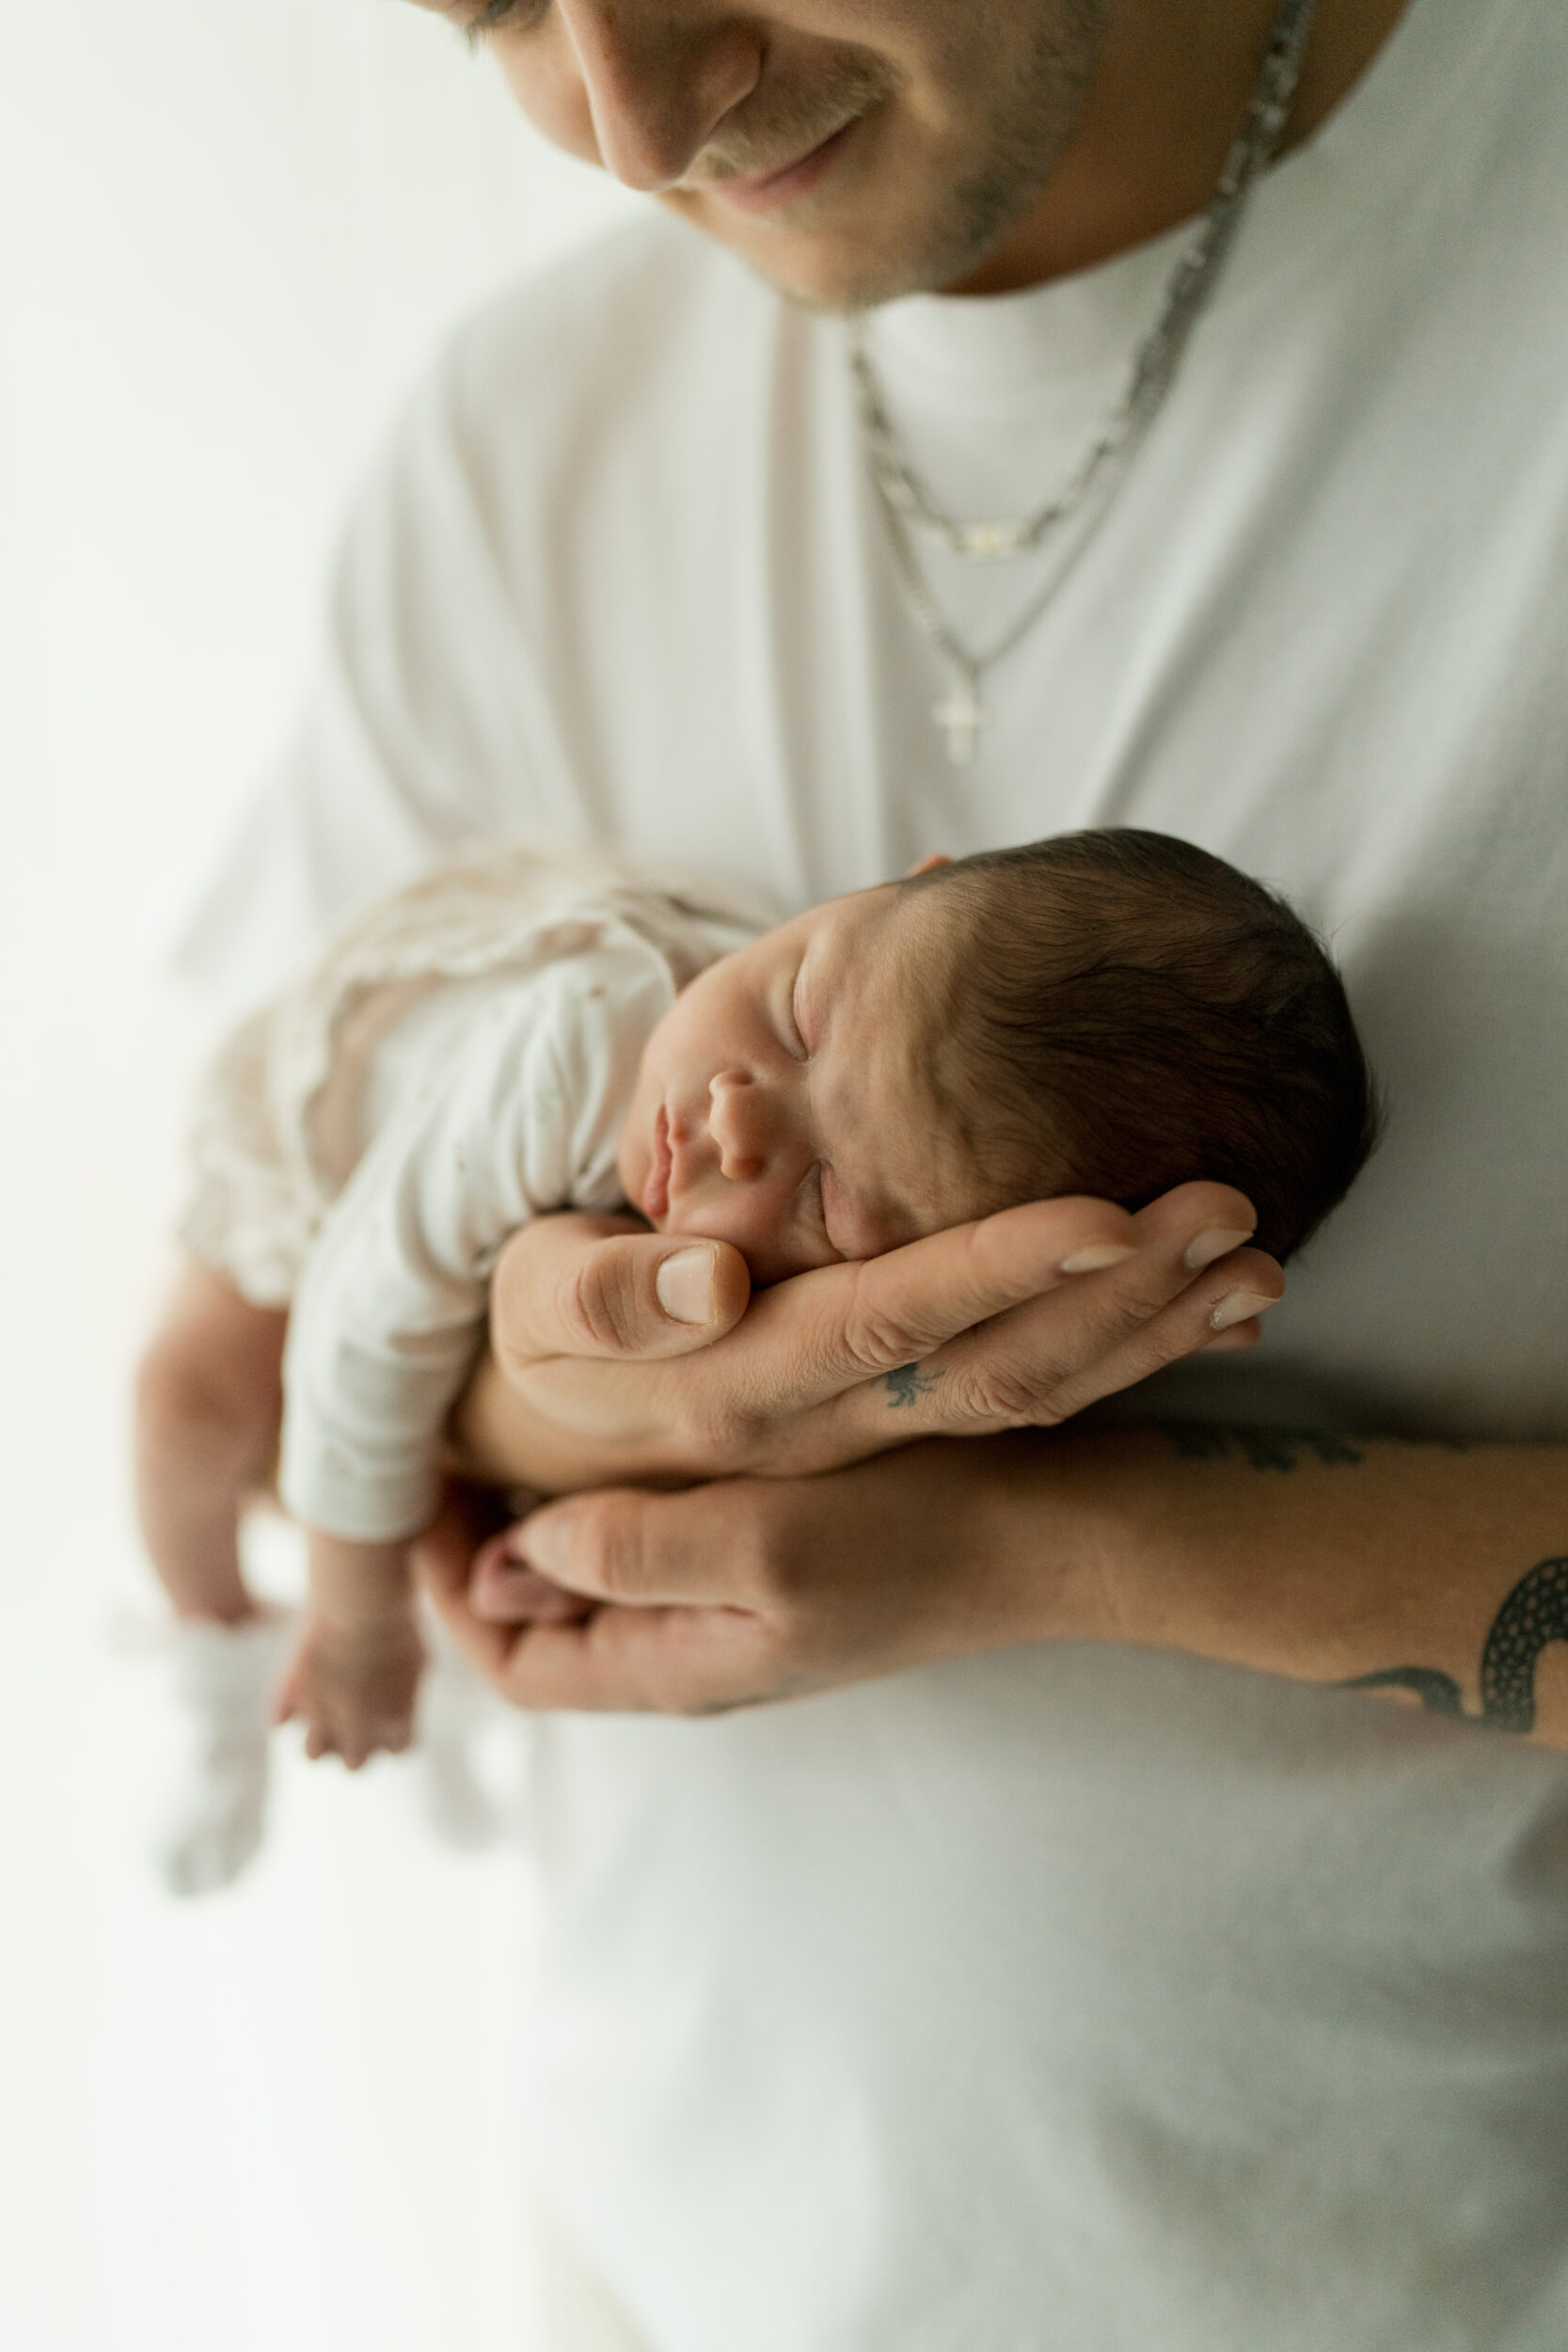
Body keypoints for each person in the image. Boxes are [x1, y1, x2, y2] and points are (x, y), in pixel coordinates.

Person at [174, 0, 1568, 2343]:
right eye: (498, 6)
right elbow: (233, 1334)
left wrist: (1039, 1535)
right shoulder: (521, 446)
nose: (626, 124)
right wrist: (591, 1397)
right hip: (655, 2248)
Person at [140, 829, 1372, 1832]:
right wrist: (357, 1610)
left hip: (470, 1239)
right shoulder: (583, 1038)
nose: (734, 1121)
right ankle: (214, 1653)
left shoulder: (840, 1147)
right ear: (903, 884)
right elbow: (367, 1304)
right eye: (793, 1014)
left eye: (828, 1199)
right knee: (195, 1409)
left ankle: (411, 1710)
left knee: (504, 1516)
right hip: (325, 1143)